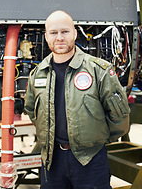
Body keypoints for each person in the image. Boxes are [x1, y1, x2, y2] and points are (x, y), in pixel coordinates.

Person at [25, 10, 130, 189]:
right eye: (53, 32)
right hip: (52, 161)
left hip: (90, 160)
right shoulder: (37, 74)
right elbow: (31, 111)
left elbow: (119, 117)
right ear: (46, 37)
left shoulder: (99, 70)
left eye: (65, 31)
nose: (59, 37)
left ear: (74, 33)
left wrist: (96, 141)